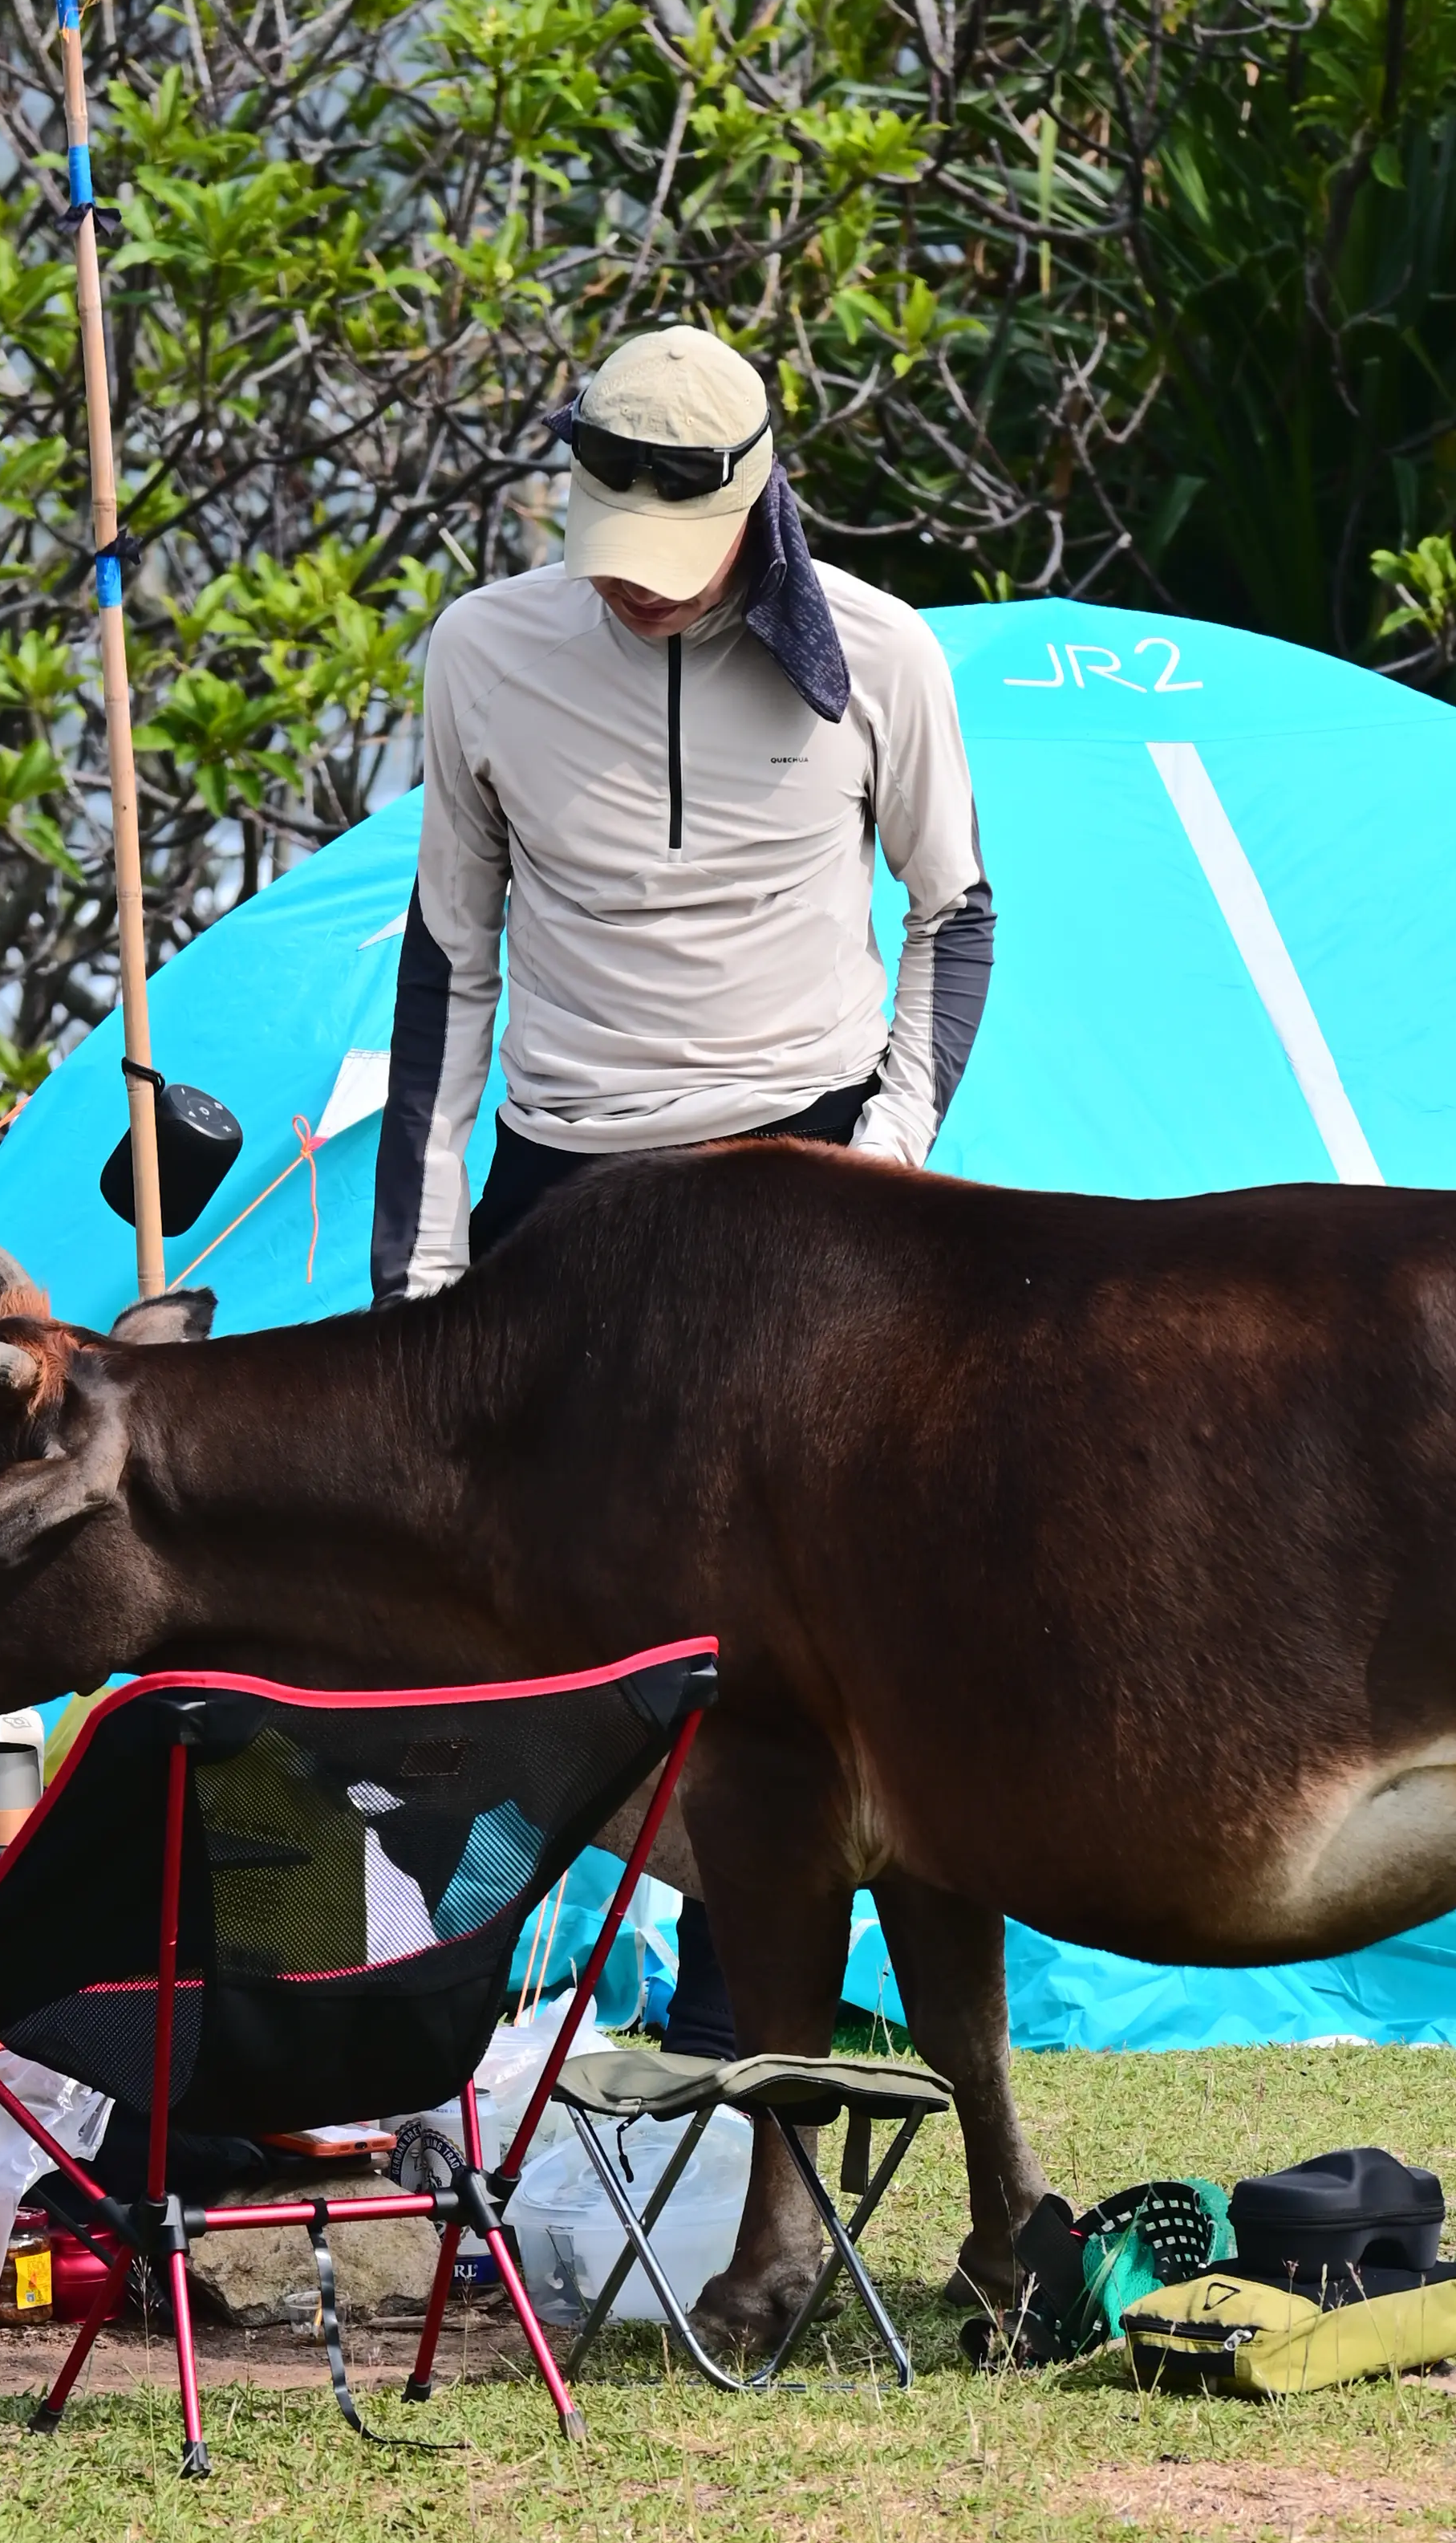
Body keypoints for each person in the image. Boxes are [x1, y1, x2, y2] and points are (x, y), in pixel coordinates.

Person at [370, 320, 993, 2049]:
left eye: (675, 558)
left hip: (801, 1192)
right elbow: (446, 968)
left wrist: (880, 1171)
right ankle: (405, 2041)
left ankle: (747, 2047)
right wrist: (416, 1300)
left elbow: (952, 914)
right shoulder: (482, 653)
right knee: (483, 1639)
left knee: (775, 1655)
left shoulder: (878, 654)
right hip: (563, 1195)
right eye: (607, 549)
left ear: (753, 503)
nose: (635, 590)